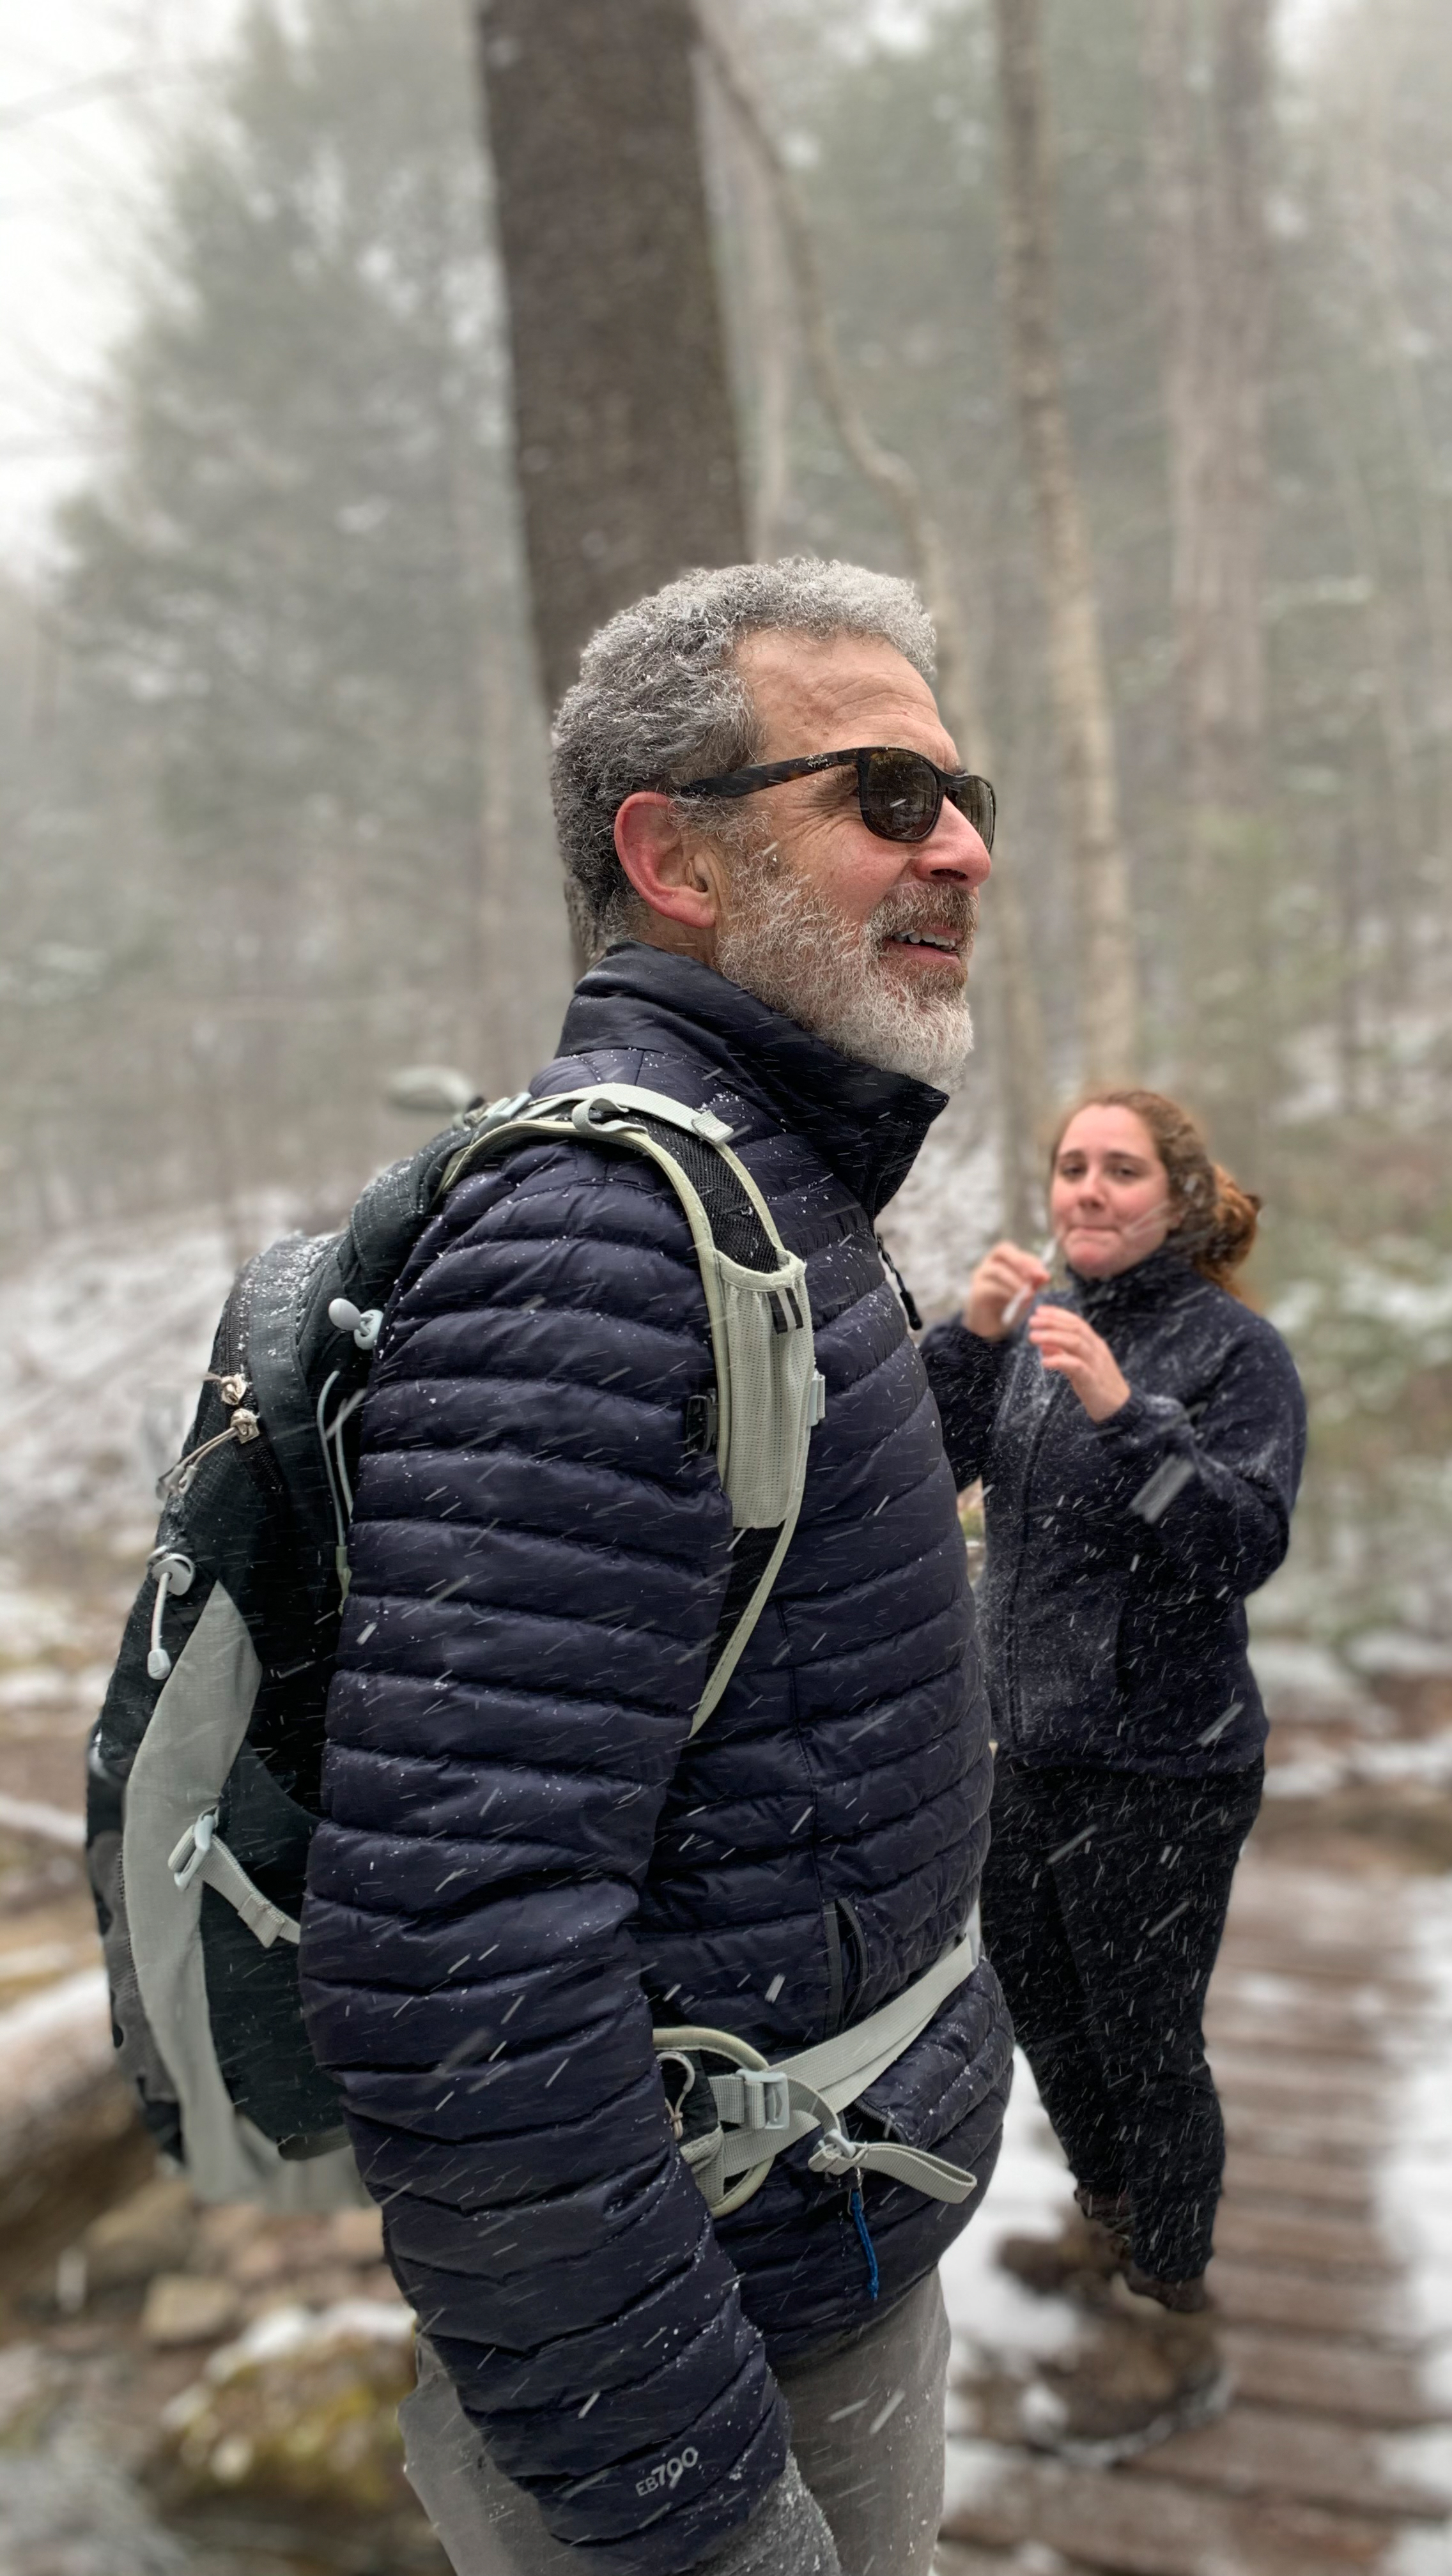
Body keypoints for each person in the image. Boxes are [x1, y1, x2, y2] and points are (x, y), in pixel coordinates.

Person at [300, 560, 1012, 2576]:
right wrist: (700, 2517)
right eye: (886, 795)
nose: (962, 848)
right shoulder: (595, 1246)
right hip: (705, 2378)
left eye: (966, 799)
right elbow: (456, 1963)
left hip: (818, 2260)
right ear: (672, 857)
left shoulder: (770, 1180)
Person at [922, 1091, 1305, 2458]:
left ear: (1179, 1200)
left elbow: (1236, 1545)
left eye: (1121, 1170)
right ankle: (1117, 2231)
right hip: (1027, 1755)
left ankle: (1178, 2312)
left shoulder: (1234, 1354)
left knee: (1147, 2045)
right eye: (1072, 1166)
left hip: (1162, 1769)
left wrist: (1126, 1416)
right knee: (1050, 2020)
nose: (1087, 1188)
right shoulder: (1040, 1328)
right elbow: (928, 1466)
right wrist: (970, 1342)